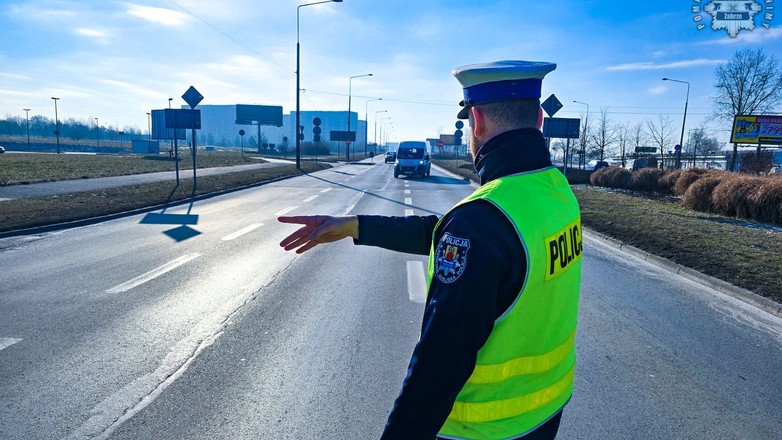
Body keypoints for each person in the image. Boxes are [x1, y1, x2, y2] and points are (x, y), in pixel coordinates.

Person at [278, 60, 582, 440]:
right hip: (545, 411)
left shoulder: (482, 221)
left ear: (476, 122)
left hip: (479, 430)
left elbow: (437, 370)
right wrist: (356, 225)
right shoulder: (556, 191)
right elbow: (467, 238)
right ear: (538, 119)